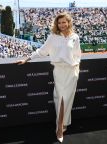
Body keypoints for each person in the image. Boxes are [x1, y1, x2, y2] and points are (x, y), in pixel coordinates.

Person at [15, 12, 81, 143]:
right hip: (59, 71)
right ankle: (59, 127)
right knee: (60, 98)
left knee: (68, 100)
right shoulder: (53, 36)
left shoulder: (75, 37)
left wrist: (76, 69)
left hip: (72, 72)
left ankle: (65, 123)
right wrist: (27, 59)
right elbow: (42, 51)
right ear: (57, 24)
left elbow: (77, 54)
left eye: (64, 22)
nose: (62, 25)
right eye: (59, 22)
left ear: (69, 23)